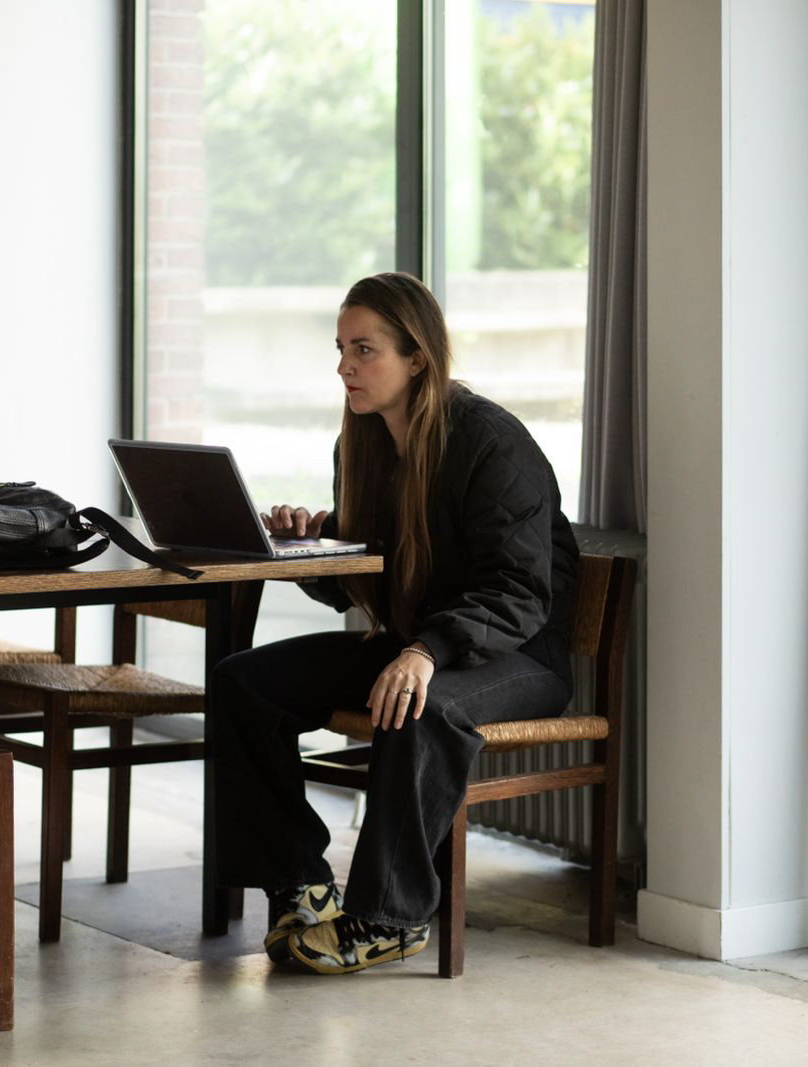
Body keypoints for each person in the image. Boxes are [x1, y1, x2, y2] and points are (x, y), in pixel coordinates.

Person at [212, 271, 579, 974]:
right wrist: (311, 552)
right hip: (419, 644)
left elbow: (520, 593)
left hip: (516, 655)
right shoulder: (362, 445)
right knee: (243, 682)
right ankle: (299, 881)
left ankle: (388, 916)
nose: (345, 366)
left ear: (417, 357)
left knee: (416, 701)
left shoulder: (492, 445)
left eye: (364, 349)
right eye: (341, 349)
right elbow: (364, 583)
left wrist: (428, 651)